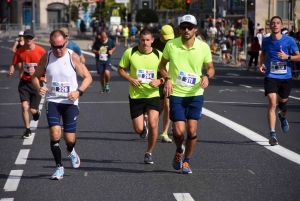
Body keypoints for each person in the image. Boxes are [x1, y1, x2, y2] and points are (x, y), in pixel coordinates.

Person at [31, 29, 92, 180]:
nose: (58, 50)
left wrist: (78, 92)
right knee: (55, 132)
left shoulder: (73, 57)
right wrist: (39, 87)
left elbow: (88, 77)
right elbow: (34, 77)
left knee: (69, 139)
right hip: (53, 101)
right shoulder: (47, 56)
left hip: (70, 102)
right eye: (54, 46)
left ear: (66, 41)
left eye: (61, 46)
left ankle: (71, 150)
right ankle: (59, 167)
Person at [158, 14, 215, 174]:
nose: (186, 30)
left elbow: (211, 67)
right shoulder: (171, 45)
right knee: (178, 132)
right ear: (179, 29)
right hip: (176, 93)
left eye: (190, 27)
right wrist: (167, 78)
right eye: (183, 27)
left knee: (191, 130)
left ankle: (187, 161)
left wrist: (207, 76)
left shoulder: (203, 47)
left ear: (195, 29)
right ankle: (178, 150)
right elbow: (161, 65)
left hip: (195, 93)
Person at [117, 28, 163, 164]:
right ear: (139, 40)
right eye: (143, 40)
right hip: (136, 95)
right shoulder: (130, 52)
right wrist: (131, 79)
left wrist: (159, 81)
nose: (145, 43)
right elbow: (120, 69)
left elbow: (168, 74)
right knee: (139, 129)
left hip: (153, 94)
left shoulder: (159, 55)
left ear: (152, 41)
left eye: (148, 40)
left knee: (153, 124)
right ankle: (143, 125)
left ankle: (149, 152)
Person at [259, 16, 300, 146]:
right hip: (271, 76)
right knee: (272, 103)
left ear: (281, 26)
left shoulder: (289, 40)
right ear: (270, 26)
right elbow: (263, 54)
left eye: (277, 23)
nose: (275, 25)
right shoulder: (266, 41)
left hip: (285, 77)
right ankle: (272, 134)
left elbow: (298, 57)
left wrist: (287, 56)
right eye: (273, 23)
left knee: (283, 105)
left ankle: (282, 116)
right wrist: (262, 64)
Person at [7, 29, 46, 138]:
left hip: (37, 82)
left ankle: (36, 113)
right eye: (26, 37)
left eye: (30, 38)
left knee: (33, 110)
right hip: (24, 82)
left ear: (34, 38)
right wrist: (11, 70)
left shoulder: (41, 51)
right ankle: (27, 130)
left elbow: (47, 66)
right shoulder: (20, 51)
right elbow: (13, 63)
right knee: (24, 106)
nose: (28, 39)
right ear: (23, 38)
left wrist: (42, 74)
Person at [151, 25, 174, 143]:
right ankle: (151, 122)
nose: (169, 40)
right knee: (159, 105)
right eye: (166, 38)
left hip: (170, 78)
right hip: (156, 77)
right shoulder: (153, 44)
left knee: (168, 105)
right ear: (160, 36)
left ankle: (164, 133)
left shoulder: (174, 44)